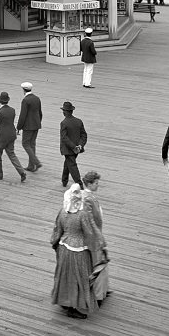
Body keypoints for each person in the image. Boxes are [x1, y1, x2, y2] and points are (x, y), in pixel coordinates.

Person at [50, 183, 104, 319]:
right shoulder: (82, 215)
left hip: (64, 248)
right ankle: (72, 306)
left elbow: (57, 230)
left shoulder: (62, 212)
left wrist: (55, 243)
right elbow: (89, 233)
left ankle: (64, 300)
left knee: (64, 276)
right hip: (79, 251)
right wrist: (96, 247)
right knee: (79, 278)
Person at [81, 170, 111, 306]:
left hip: (95, 235)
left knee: (100, 263)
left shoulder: (88, 196)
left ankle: (103, 290)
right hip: (93, 237)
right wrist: (100, 237)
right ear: (89, 184)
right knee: (98, 264)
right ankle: (98, 294)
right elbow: (91, 221)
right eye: (96, 183)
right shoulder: (87, 199)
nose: (98, 185)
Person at [0, 91, 27, 182]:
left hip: (2, 136)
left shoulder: (0, 112)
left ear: (0, 100)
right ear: (8, 100)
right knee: (11, 154)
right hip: (11, 134)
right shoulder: (12, 110)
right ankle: (21, 171)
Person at [59, 100, 87, 186]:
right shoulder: (79, 121)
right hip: (77, 149)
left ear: (64, 112)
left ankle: (79, 184)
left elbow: (64, 138)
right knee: (68, 163)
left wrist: (73, 147)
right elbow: (84, 135)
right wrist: (80, 145)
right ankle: (64, 180)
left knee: (72, 165)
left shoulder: (64, 123)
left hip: (68, 149)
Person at [16, 80, 43, 171]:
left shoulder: (25, 100)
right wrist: (38, 122)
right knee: (32, 144)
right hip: (36, 124)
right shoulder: (37, 98)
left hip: (28, 126)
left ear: (23, 90)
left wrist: (18, 127)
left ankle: (36, 162)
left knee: (25, 144)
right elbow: (40, 113)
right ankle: (31, 166)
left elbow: (22, 115)